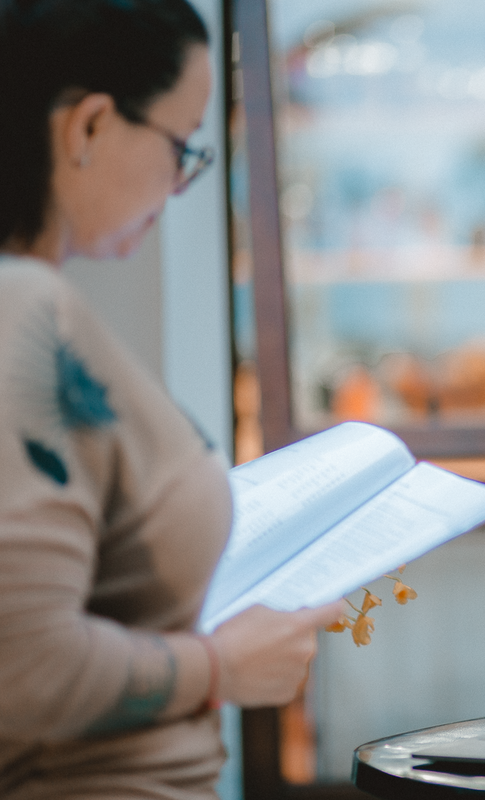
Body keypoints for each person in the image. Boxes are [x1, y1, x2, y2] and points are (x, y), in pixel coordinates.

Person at [0, 0, 343, 796]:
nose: (184, 183)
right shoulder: (21, 308)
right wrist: (221, 666)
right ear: (87, 126)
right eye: (182, 145)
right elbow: (22, 664)